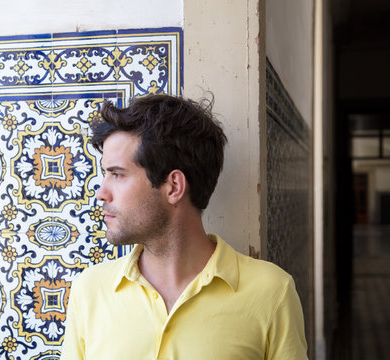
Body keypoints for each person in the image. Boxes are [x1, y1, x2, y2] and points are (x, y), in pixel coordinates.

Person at [60, 94, 307, 359]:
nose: (101, 193)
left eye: (117, 174)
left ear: (174, 187)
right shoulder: (90, 290)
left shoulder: (271, 292)